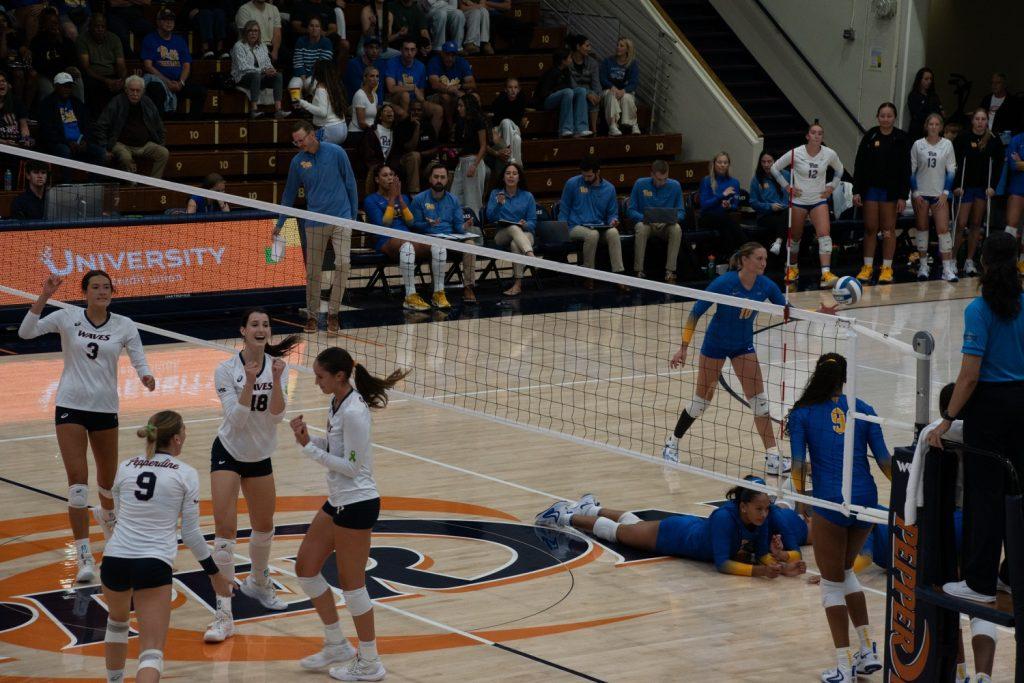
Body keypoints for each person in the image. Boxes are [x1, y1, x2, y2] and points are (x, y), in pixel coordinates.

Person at [18, 270, 155, 583]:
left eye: (106, 287)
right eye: (96, 287)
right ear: (85, 293)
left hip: (105, 409)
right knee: (78, 485)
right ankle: (83, 556)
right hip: (71, 407)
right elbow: (27, 332)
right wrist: (44, 296)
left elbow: (139, 359)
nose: (102, 292)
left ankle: (113, 538)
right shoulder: (68, 317)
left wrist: (145, 376)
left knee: (108, 486)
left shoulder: (124, 325)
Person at [289, 347, 408, 680]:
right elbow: (336, 448)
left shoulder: (355, 411)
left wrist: (310, 451)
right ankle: (336, 645)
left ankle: (370, 662)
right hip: (339, 499)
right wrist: (308, 438)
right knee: (306, 567)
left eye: (320, 376)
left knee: (352, 585)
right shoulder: (336, 403)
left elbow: (353, 467)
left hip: (357, 502)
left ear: (339, 376)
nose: (316, 382)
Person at [928, 232, 1024, 607]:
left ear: (983, 262)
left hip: (991, 407)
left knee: (985, 496)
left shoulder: (979, 310)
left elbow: (969, 376)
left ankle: (980, 582)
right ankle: (1013, 578)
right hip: (1021, 403)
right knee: (1017, 494)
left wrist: (947, 419)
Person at [101, 410, 233, 683]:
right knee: (151, 653)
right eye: (184, 431)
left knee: (116, 625)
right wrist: (214, 574)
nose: (186, 435)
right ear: (175, 439)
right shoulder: (185, 474)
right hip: (153, 563)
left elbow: (109, 513)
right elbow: (191, 534)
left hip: (114, 560)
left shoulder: (126, 466)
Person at [788, 352, 891, 682]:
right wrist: (907, 499)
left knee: (831, 584)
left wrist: (799, 501)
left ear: (816, 374)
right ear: (845, 379)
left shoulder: (802, 413)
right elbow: (886, 461)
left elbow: (799, 465)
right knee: (845, 572)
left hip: (831, 502)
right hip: (866, 501)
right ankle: (866, 651)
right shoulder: (863, 408)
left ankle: (844, 667)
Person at [202, 310, 299, 643]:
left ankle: (258, 582)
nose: (261, 329)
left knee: (264, 526)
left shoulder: (278, 367)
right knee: (225, 534)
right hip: (228, 450)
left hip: (260, 454)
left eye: (266, 325)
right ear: (243, 331)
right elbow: (237, 419)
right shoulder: (225, 370)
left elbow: (276, 417)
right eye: (255, 325)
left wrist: (273, 379)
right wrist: (251, 379)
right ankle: (224, 614)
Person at [662, 242, 788, 473]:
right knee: (701, 403)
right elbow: (695, 312)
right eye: (759, 259)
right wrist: (683, 348)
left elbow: (789, 311)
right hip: (715, 346)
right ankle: (672, 442)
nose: (764, 263)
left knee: (759, 401)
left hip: (743, 346)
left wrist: (821, 315)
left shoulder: (766, 285)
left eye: (765, 259)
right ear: (744, 261)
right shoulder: (724, 283)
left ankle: (772, 457)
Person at [535, 487, 805, 578]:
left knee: (633, 525)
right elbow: (722, 564)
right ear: (743, 507)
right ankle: (565, 515)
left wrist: (780, 565)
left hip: (688, 530)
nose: (765, 514)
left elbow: (761, 556)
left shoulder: (761, 520)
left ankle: (593, 509)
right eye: (759, 509)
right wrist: (760, 572)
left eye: (766, 509)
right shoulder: (725, 518)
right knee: (619, 533)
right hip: (674, 536)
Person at [275, 120, 358, 333]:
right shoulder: (297, 162)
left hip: (341, 218)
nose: (299, 144)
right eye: (295, 142)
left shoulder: (336, 152)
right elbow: (289, 195)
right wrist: (281, 223)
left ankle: (333, 314)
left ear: (312, 135)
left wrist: (353, 217)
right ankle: (312, 316)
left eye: (301, 140)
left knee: (343, 264)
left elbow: (350, 183)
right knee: (313, 271)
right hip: (314, 221)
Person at [771, 122, 844, 288]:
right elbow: (775, 168)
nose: (817, 136)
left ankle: (825, 273)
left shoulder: (829, 154)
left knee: (825, 236)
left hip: (818, 200)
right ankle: (792, 268)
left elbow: (840, 170)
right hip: (799, 201)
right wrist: (787, 187)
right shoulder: (796, 153)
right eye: (813, 132)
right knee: (795, 238)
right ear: (807, 135)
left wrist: (831, 187)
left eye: (820, 133)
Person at [366, 163, 447, 311]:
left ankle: (438, 293)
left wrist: (401, 200)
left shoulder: (402, 197)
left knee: (439, 246)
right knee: (407, 247)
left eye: (391, 175)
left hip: (406, 236)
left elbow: (410, 222)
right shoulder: (371, 200)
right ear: (377, 180)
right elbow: (384, 225)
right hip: (385, 240)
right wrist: (391, 199)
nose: (389, 178)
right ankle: (410, 296)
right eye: (385, 175)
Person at [852, 102, 911, 285]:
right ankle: (868, 267)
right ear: (878, 117)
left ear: (894, 118)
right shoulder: (870, 136)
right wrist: (856, 191)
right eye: (882, 115)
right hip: (870, 190)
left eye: (889, 115)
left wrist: (903, 195)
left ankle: (886, 268)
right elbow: (859, 165)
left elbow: (905, 169)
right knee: (870, 229)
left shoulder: (901, 138)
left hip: (890, 192)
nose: (886, 119)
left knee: (888, 230)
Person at [411, 161, 481, 303]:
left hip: (450, 239)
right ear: (430, 179)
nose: (439, 180)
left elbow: (458, 227)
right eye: (436, 177)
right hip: (429, 239)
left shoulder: (453, 200)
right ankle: (437, 288)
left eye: (442, 177)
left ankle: (468, 287)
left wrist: (465, 226)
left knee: (470, 244)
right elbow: (413, 226)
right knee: (437, 246)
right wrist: (426, 224)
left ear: (447, 180)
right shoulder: (419, 199)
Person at [953, 109, 1005, 276]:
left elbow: (997, 166)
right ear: (972, 120)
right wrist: (956, 185)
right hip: (965, 187)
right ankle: (952, 259)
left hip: (982, 188)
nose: (980, 122)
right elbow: (953, 162)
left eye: (983, 119)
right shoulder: (963, 138)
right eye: (977, 119)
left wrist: (993, 186)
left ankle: (969, 260)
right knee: (961, 223)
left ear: (987, 121)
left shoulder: (993, 140)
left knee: (976, 223)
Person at [561, 155, 625, 285]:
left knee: (613, 233)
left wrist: (613, 221)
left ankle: (619, 276)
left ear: (598, 172)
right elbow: (564, 209)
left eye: (589, 176)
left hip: (599, 226)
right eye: (583, 175)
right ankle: (589, 275)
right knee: (592, 234)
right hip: (575, 227)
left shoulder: (609, 189)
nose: (586, 178)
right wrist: (562, 230)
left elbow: (612, 214)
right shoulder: (572, 183)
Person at [910, 113, 958, 282]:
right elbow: (912, 170)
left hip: (939, 195)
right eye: (931, 124)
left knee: (943, 231)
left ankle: (947, 268)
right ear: (926, 126)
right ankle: (923, 266)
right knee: (922, 229)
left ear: (941, 127)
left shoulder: (947, 145)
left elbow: (951, 171)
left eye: (937, 124)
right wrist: (915, 193)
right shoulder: (918, 145)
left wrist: (946, 193)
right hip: (921, 194)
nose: (934, 127)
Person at [94, 75, 170, 178]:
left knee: (163, 153)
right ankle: (131, 185)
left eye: (138, 91)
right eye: (132, 90)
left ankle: (153, 185)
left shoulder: (148, 102)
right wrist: (104, 147)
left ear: (142, 91)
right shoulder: (117, 102)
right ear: (126, 90)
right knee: (125, 157)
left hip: (144, 145)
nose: (135, 94)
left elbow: (159, 125)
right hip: (121, 144)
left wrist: (161, 143)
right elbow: (101, 125)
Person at [141, 10, 206, 119]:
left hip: (177, 82)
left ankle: (191, 125)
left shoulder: (180, 41)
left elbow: (186, 65)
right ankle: (160, 126)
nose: (169, 23)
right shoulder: (150, 39)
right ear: (158, 22)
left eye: (171, 20)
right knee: (156, 89)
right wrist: (166, 82)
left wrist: (180, 83)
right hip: (159, 81)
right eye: (165, 20)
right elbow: (148, 66)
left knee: (201, 91)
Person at [628, 159, 683, 282]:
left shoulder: (675, 186)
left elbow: (682, 212)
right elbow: (631, 210)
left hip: (666, 225)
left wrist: (673, 218)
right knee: (641, 228)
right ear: (652, 174)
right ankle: (638, 270)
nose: (662, 182)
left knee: (677, 229)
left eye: (665, 179)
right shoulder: (640, 184)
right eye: (659, 179)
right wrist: (644, 218)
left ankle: (670, 271)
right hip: (646, 223)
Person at [487, 161, 536, 296]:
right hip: (502, 235)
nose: (511, 176)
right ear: (503, 177)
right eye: (508, 173)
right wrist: (499, 205)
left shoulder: (527, 196)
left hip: (525, 234)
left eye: (514, 173)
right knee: (513, 228)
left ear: (519, 177)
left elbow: (533, 223)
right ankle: (530, 256)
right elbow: (490, 218)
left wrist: (524, 224)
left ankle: (518, 284)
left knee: (516, 244)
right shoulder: (495, 194)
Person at [40, 73, 106, 170]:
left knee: (99, 152)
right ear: (56, 86)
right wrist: (68, 142)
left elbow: (88, 125)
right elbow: (48, 131)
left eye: (69, 86)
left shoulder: (77, 103)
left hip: (80, 142)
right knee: (64, 150)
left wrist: (85, 141)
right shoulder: (47, 104)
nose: (67, 89)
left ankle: (94, 183)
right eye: (64, 86)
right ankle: (67, 182)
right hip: (60, 142)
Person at [230, 21, 287, 119]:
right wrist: (263, 71)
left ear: (259, 33)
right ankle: (254, 110)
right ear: (245, 33)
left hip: (260, 77)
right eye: (250, 31)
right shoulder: (238, 46)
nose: (253, 33)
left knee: (278, 75)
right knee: (255, 75)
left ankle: (278, 110)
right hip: (242, 77)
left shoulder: (262, 46)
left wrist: (271, 70)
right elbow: (243, 67)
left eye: (256, 31)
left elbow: (267, 63)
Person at [698, 152, 745, 268]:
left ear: (729, 165)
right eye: (719, 162)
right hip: (707, 217)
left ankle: (729, 258)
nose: (722, 165)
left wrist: (729, 205)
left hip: (724, 217)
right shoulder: (706, 181)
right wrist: (721, 196)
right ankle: (745, 245)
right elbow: (704, 205)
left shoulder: (734, 182)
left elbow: (736, 204)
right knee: (726, 221)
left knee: (727, 228)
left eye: (725, 162)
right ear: (714, 164)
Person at [385, 37, 442, 129]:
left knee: (438, 110)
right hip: (395, 100)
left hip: (414, 101)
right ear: (401, 50)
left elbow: (421, 93)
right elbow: (391, 89)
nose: (409, 53)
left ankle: (431, 140)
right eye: (406, 49)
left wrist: (419, 101)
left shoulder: (421, 66)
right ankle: (405, 132)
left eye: (412, 50)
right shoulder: (392, 63)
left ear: (416, 51)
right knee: (405, 95)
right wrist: (413, 87)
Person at [76, 14, 127, 115]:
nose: (100, 29)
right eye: (97, 26)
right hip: (94, 76)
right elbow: (86, 68)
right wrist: (106, 81)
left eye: (103, 26)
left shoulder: (114, 38)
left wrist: (122, 80)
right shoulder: (82, 39)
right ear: (90, 27)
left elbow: (121, 64)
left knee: (127, 86)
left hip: (112, 75)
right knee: (93, 86)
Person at [30, 10, 83, 103]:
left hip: (64, 74)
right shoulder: (37, 42)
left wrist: (70, 69)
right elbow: (39, 66)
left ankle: (79, 110)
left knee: (77, 76)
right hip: (46, 76)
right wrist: (62, 69)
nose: (55, 24)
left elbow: (73, 60)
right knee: (48, 90)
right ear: (44, 25)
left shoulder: (66, 41)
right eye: (51, 22)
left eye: (56, 22)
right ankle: (48, 115)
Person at [536, 48, 587, 138]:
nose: (571, 60)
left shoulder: (566, 71)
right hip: (547, 101)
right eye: (570, 58)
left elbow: (569, 87)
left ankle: (581, 128)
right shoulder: (551, 73)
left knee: (581, 91)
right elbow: (543, 93)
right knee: (568, 92)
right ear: (563, 60)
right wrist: (559, 91)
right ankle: (565, 129)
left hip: (564, 96)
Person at [450, 93, 487, 216]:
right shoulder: (461, 122)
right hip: (461, 163)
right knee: (454, 198)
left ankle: (476, 234)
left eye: (461, 105)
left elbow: (483, 146)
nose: (458, 108)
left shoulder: (478, 121)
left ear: (468, 106)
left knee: (473, 202)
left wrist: (475, 165)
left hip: (473, 161)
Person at [296, 59, 348, 144]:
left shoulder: (321, 88)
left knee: (304, 145)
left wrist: (302, 103)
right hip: (342, 128)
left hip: (329, 130)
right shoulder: (335, 85)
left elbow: (322, 112)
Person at [426, 40, 474, 129]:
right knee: (446, 97)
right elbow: (434, 84)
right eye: (447, 54)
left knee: (475, 97)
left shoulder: (462, 62)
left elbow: (472, 84)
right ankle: (451, 127)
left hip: (457, 94)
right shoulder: (434, 62)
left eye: (453, 55)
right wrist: (451, 90)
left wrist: (460, 86)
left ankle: (470, 128)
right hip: (435, 95)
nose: (450, 58)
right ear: (442, 54)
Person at [393, 98, 437, 193]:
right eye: (413, 110)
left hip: (425, 162)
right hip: (405, 161)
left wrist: (422, 154)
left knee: (439, 168)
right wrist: (417, 127)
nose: (416, 112)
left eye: (419, 110)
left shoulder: (427, 125)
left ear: (422, 112)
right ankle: (414, 193)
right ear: (409, 111)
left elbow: (435, 148)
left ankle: (439, 197)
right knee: (414, 156)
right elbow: (410, 148)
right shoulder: (402, 126)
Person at [749, 151, 788, 255]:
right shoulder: (756, 179)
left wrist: (783, 206)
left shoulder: (786, 175)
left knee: (787, 216)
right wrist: (770, 207)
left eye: (769, 161)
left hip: (784, 212)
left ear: (775, 162)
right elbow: (753, 202)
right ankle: (784, 260)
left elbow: (792, 195)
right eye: (763, 162)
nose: (766, 165)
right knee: (784, 223)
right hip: (765, 215)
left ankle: (778, 243)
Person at [599, 37, 639, 136]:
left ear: (627, 49)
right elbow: (602, 78)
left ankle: (633, 124)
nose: (618, 47)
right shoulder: (607, 61)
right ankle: (613, 125)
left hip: (624, 91)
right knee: (611, 94)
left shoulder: (632, 63)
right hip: (608, 90)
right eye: (617, 45)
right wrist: (612, 87)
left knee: (627, 97)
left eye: (621, 46)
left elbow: (633, 83)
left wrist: (623, 91)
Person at [289, 17, 333, 98]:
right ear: (308, 28)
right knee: (293, 86)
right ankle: (298, 108)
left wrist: (309, 78)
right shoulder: (301, 41)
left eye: (317, 26)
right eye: (311, 26)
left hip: (317, 75)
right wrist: (303, 77)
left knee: (312, 85)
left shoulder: (326, 42)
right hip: (302, 74)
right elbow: (298, 61)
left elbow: (322, 65)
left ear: (321, 29)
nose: (314, 28)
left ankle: (313, 108)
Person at [567, 34, 600, 135]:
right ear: (578, 47)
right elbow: (572, 84)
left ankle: (594, 130)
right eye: (587, 46)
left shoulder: (592, 62)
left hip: (589, 90)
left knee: (594, 96)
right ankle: (579, 129)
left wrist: (598, 94)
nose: (589, 49)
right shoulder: (568, 61)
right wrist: (587, 93)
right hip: (573, 90)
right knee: (583, 94)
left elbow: (596, 82)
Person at [360, 102, 399, 184]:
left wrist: (391, 167)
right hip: (375, 166)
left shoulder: (396, 133)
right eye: (386, 111)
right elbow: (367, 152)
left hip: (391, 167)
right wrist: (379, 166)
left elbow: (397, 154)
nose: (389, 112)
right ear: (380, 117)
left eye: (391, 111)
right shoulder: (372, 131)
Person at [489, 77, 525, 164]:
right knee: (506, 121)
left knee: (517, 139)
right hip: (500, 129)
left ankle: (518, 166)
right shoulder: (500, 99)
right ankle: (509, 154)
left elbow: (518, 119)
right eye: (510, 87)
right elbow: (494, 118)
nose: (513, 90)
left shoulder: (521, 99)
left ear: (519, 89)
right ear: (505, 89)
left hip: (513, 129)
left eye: (515, 87)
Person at [235, 0, 282, 64]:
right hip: (250, 48)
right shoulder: (244, 9)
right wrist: (265, 54)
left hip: (270, 47)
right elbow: (248, 37)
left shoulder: (274, 9)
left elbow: (277, 33)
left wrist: (275, 51)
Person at [344, 35, 386, 101]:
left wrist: (379, 106)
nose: (374, 51)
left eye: (377, 48)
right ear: (365, 48)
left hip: (374, 103)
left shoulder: (380, 64)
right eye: (371, 47)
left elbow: (379, 88)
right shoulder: (353, 64)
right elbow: (359, 89)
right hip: (356, 103)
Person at [980, 72, 1020, 141]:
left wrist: (999, 140)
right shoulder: (986, 99)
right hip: (983, 137)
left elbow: (1017, 126)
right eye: (992, 83)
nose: (994, 85)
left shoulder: (1013, 102)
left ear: (1005, 85)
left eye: (998, 83)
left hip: (1003, 141)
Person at [1005, 129, 1024, 274]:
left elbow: (1019, 164)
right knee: (1011, 226)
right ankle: (1007, 262)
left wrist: (1021, 162)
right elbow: (1013, 165)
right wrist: (1018, 164)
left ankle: (1022, 262)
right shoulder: (1017, 140)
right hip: (1017, 188)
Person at [906, 67, 943, 140]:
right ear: (919, 80)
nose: (929, 81)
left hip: (933, 131)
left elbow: (940, 112)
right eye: (926, 79)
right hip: (918, 131)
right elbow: (917, 114)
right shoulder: (913, 96)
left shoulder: (934, 96)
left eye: (930, 79)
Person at [348, 65, 379, 150]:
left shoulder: (375, 95)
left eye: (377, 76)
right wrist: (376, 132)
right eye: (372, 76)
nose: (375, 79)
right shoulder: (360, 94)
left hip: (369, 133)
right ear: (365, 78)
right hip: (357, 133)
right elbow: (361, 123)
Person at [0, 71, 31, 148]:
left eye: (3, 81)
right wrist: (4, 142)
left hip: (16, 145)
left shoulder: (16, 102)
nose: (2, 84)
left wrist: (25, 139)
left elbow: (24, 126)